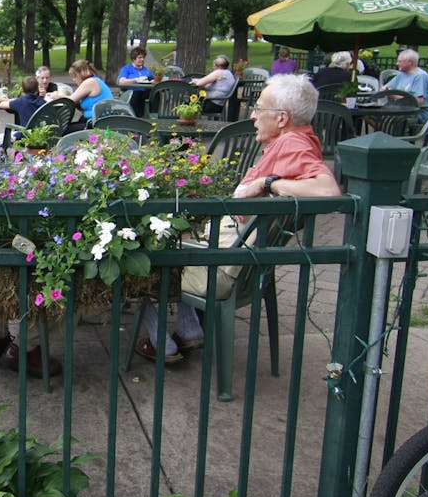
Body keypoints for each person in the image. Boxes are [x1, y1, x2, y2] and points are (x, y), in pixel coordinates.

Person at [135, 74, 342, 364]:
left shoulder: (294, 144)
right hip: (237, 260)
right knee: (177, 238)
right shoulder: (296, 141)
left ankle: (162, 345)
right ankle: (189, 329)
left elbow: (329, 191)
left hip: (221, 268)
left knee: (136, 255)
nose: (254, 116)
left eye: (259, 109)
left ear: (282, 118)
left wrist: (266, 183)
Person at [59, 58, 114, 125]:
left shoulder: (90, 82)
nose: (73, 80)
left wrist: (56, 96)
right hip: (95, 120)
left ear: (80, 74)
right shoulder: (94, 80)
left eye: (74, 76)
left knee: (64, 131)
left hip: (96, 122)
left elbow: (71, 100)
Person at [384, 48, 428, 122]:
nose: (397, 63)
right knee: (369, 115)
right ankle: (386, 131)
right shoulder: (402, 74)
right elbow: (386, 87)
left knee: (383, 118)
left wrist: (394, 96)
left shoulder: (420, 76)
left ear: (410, 62)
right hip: (399, 110)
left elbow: (419, 101)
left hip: (416, 114)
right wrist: (385, 90)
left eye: (400, 61)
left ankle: (387, 131)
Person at [115, 45, 154, 116]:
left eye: (143, 58)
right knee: (136, 95)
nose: (142, 59)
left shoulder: (145, 70)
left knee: (155, 94)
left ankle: (154, 115)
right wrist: (135, 80)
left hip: (145, 93)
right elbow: (121, 81)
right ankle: (136, 117)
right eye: (140, 57)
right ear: (133, 59)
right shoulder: (127, 69)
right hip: (132, 93)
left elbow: (152, 79)